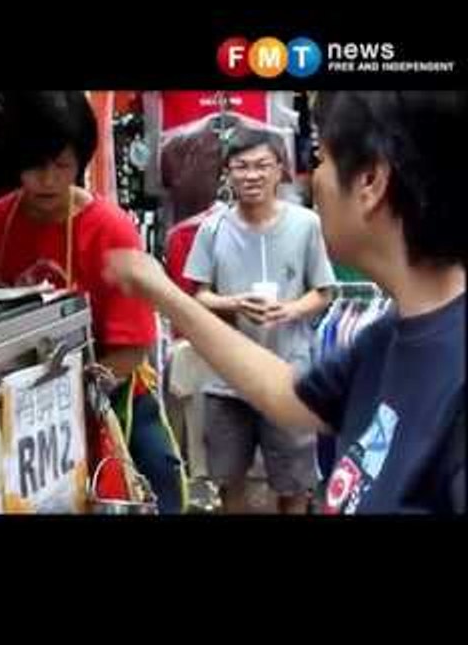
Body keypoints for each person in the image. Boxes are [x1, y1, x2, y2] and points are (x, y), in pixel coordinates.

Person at [105, 91, 466, 515]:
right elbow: (287, 394)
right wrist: (162, 292)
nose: (314, 178)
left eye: (322, 158)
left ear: (370, 182)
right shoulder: (390, 334)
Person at [0, 91, 157, 378]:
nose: (48, 180)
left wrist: (69, 395)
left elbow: (131, 350)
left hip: (108, 392)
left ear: (80, 161)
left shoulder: (112, 231)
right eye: (35, 165)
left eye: (61, 165)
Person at [180, 129, 336, 514]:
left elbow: (325, 290)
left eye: (262, 166)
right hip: (225, 379)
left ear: (280, 170)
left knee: (295, 485)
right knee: (228, 481)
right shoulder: (213, 228)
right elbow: (198, 296)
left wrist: (291, 309)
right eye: (242, 167)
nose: (252, 176)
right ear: (228, 173)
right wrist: (234, 303)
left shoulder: (305, 225)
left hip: (289, 377)